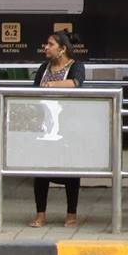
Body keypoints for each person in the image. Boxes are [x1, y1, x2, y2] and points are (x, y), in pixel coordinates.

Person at [29, 30, 86, 228]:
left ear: (62, 49)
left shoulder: (77, 66)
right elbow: (35, 90)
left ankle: (71, 214)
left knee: (71, 171)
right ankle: (40, 214)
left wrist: (52, 85)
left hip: (68, 128)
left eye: (50, 44)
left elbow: (76, 83)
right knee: (41, 170)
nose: (46, 47)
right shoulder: (43, 68)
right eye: (46, 44)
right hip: (46, 126)